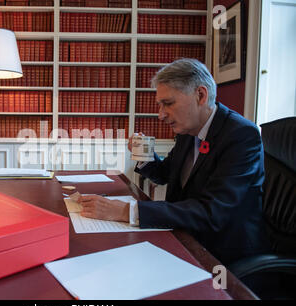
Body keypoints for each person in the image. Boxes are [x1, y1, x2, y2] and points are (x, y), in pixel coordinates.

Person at [78, 58, 269, 265]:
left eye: (168, 104)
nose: (160, 115)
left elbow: (213, 212)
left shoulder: (241, 135)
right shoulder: (189, 130)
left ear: (201, 95)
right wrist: (144, 155)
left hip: (221, 253)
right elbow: (165, 174)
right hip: (182, 235)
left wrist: (125, 211)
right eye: (160, 105)